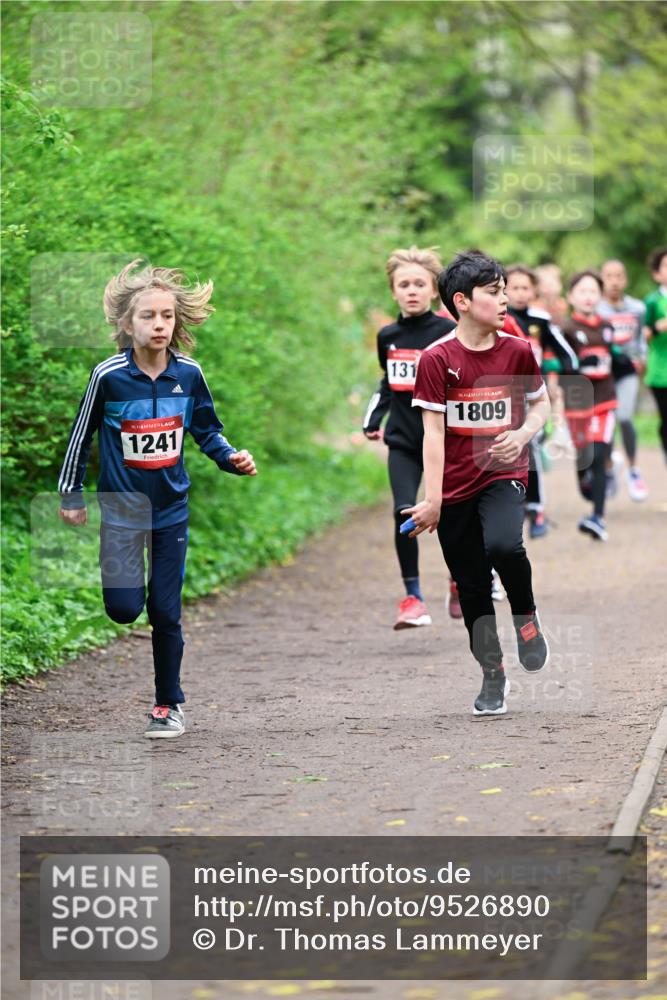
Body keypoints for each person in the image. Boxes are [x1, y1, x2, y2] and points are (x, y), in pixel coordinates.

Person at [58, 259, 257, 738]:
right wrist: (71, 492)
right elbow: (81, 435)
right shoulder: (108, 376)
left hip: (171, 509)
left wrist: (230, 458)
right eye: (149, 316)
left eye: (167, 316)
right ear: (128, 324)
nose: (159, 325)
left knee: (166, 611)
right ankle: (128, 596)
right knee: (125, 609)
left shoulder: (188, 375)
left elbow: (208, 430)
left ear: (177, 322)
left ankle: (168, 704)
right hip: (123, 511)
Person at [405, 250, 550, 717]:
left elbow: (541, 404)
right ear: (463, 301)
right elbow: (432, 433)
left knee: (506, 546)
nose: (505, 300)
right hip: (456, 486)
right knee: (470, 585)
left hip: (504, 473)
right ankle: (493, 674)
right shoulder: (437, 359)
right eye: (495, 292)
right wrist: (433, 499)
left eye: (506, 290)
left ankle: (527, 620)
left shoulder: (518, 350)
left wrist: (524, 433)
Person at [362, 246, 456, 629]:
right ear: (393, 291)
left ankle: (459, 581)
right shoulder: (388, 336)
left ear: (434, 290)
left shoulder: (449, 333)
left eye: (420, 283)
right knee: (404, 512)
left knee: (451, 516)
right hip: (403, 440)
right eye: (404, 284)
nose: (412, 290)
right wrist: (373, 418)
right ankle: (413, 598)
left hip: (446, 443)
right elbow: (390, 383)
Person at [502, 265, 578, 539]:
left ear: (534, 291)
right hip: (500, 394)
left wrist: (569, 374)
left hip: (533, 394)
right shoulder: (495, 317)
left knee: (529, 446)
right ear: (503, 290)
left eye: (525, 288)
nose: (520, 294)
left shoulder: (540, 320)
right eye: (514, 288)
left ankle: (537, 508)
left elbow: (566, 353)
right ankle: (511, 506)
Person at [560, 270, 617, 542]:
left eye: (593, 291)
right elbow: (558, 365)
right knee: (584, 460)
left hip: (605, 401)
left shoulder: (607, 326)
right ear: (571, 296)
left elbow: (614, 357)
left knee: (597, 453)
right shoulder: (566, 329)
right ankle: (593, 484)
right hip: (577, 402)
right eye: (582, 291)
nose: (588, 296)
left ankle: (598, 517)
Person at [599, 259, 648, 501]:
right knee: (607, 423)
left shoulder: (637, 308)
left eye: (619, 276)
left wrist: (642, 359)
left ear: (625, 279)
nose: (615, 281)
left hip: (628, 370)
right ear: (602, 279)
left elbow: (641, 339)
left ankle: (633, 470)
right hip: (603, 373)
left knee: (625, 417)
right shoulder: (596, 309)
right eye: (609, 276)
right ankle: (608, 469)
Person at [643, 247, 667, 465]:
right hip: (660, 370)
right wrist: (659, 328)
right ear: (657, 274)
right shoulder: (652, 301)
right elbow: (645, 334)